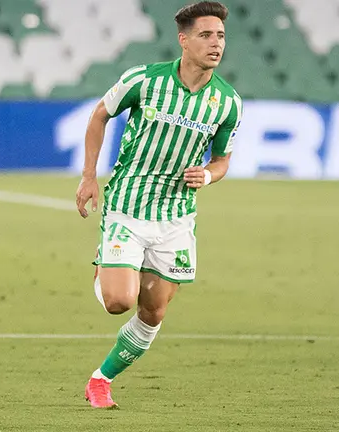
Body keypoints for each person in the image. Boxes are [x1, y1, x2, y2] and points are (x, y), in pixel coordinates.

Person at [76, 1, 242, 408]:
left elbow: (221, 162)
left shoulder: (228, 104)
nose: (215, 43)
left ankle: (101, 380)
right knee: (119, 302)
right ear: (183, 40)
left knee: (153, 312)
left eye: (220, 35)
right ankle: (109, 263)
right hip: (128, 205)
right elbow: (100, 114)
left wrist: (207, 174)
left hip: (176, 217)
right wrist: (89, 175)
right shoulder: (145, 80)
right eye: (205, 35)